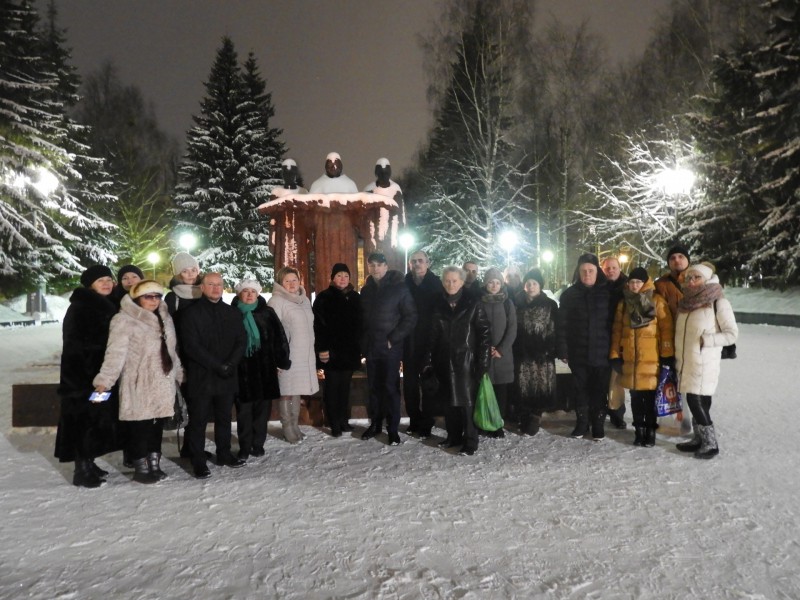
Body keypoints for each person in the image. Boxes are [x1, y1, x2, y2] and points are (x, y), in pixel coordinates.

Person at [93, 280, 183, 483]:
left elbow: (171, 351)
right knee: (139, 428)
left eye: (157, 296)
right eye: (148, 296)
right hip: (138, 381)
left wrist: (179, 374)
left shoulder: (165, 317)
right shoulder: (123, 320)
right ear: (137, 298)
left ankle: (154, 465)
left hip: (163, 381)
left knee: (156, 426)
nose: (154, 301)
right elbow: (115, 354)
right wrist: (105, 382)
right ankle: (141, 468)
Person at [55, 265, 121, 488]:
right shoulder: (82, 307)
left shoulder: (105, 304)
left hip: (99, 375)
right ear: (89, 284)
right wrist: (83, 380)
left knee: (95, 420)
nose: (106, 283)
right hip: (83, 378)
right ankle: (81, 470)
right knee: (82, 422)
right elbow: (74, 346)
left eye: (108, 279)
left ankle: (89, 462)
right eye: (100, 280)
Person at [180, 273, 247, 478]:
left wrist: (230, 364)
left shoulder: (232, 312)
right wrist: (218, 365)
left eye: (219, 285)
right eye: (211, 284)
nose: (216, 288)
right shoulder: (190, 314)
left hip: (227, 375)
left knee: (224, 418)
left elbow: (241, 341)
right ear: (202, 287)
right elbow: (191, 346)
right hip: (202, 376)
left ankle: (224, 453)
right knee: (198, 420)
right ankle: (198, 460)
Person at [673, 262, 738, 459]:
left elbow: (731, 334)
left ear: (707, 279)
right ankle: (698, 438)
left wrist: (707, 340)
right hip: (687, 361)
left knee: (695, 399)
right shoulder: (686, 303)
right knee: (700, 400)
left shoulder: (718, 302)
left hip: (704, 361)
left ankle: (710, 443)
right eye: (689, 278)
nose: (691, 281)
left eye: (697, 277)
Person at [427, 266, 491, 455]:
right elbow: (432, 335)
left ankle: (471, 441)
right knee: (449, 402)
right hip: (444, 361)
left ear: (462, 282)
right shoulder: (438, 304)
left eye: (455, 281)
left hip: (466, 362)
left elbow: (485, 334)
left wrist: (483, 362)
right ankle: (453, 436)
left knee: (466, 403)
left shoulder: (473, 303)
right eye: (447, 280)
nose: (451, 284)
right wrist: (428, 360)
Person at [609, 267, 674, 447]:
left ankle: (651, 431)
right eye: (632, 282)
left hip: (652, 361)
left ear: (645, 283)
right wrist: (615, 355)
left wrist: (667, 355)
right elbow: (616, 332)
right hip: (631, 361)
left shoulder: (656, 301)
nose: (635, 285)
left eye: (638, 282)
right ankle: (639, 431)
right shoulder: (623, 304)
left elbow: (667, 330)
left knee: (651, 399)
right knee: (636, 399)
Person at [360, 252, 417, 445]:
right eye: (372, 265)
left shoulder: (399, 288)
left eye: (379, 265)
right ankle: (375, 424)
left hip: (390, 348)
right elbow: (363, 320)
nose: (375, 268)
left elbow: (410, 317)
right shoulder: (366, 290)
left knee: (391, 388)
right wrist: (364, 343)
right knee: (373, 388)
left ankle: (392, 429)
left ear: (386, 266)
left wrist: (394, 339)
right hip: (371, 348)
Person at [231, 278, 291, 459]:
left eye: (253, 291)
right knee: (244, 412)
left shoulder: (267, 313)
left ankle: (258, 444)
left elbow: (280, 338)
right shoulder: (232, 313)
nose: (249, 295)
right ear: (239, 294)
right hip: (242, 372)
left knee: (261, 411)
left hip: (265, 370)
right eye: (245, 291)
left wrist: (282, 361)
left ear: (258, 293)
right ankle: (244, 446)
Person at [556, 253, 612, 440]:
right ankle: (581, 423)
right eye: (583, 271)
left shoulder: (608, 293)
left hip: (602, 354)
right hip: (578, 353)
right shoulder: (569, 295)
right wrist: (563, 350)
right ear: (578, 273)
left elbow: (614, 324)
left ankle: (598, 425)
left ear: (597, 272)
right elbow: (561, 325)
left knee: (599, 391)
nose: (587, 274)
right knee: (580, 391)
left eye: (591, 270)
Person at [268, 266, 319, 444]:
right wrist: (277, 358)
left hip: (304, 355)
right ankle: (287, 427)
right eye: (287, 281)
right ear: (280, 283)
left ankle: (295, 425)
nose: (291, 284)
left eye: (294, 280)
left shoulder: (304, 300)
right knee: (286, 393)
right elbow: (272, 331)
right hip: (287, 356)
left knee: (296, 391)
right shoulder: (276, 301)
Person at [313, 263, 362, 437]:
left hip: (349, 351)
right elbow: (318, 325)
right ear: (333, 278)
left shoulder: (355, 297)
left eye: (346, 276)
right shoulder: (324, 297)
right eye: (339, 275)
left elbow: (360, 325)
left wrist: (360, 348)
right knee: (332, 387)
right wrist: (322, 349)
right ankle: (333, 422)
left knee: (345, 388)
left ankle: (343, 420)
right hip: (331, 352)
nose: (343, 279)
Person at [513, 268, 558, 436]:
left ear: (540, 286)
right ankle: (524, 414)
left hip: (542, 354)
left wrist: (550, 348)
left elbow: (554, 329)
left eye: (534, 283)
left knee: (540, 385)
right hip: (522, 352)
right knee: (524, 385)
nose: (531, 286)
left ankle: (535, 416)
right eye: (528, 283)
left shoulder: (549, 305)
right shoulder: (517, 303)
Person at [654, 244, 693, 434]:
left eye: (680, 256)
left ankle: (699, 423)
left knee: (694, 385)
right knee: (671, 382)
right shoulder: (661, 284)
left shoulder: (698, 279)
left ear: (687, 259)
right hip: (672, 341)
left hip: (694, 342)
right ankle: (678, 421)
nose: (677, 260)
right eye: (672, 258)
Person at [403, 250, 441, 438]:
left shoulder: (436, 284)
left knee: (428, 385)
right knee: (410, 385)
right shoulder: (404, 283)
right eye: (413, 261)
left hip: (430, 342)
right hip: (409, 342)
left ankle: (426, 422)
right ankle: (414, 419)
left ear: (428, 263)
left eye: (420, 261)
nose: (417, 264)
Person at [479, 267, 517, 437]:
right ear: (485, 284)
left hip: (503, 357)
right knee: (485, 391)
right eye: (490, 282)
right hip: (484, 354)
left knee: (501, 392)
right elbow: (474, 328)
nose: (494, 286)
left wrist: (501, 349)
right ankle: (484, 422)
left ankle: (497, 424)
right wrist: (485, 347)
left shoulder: (508, 303)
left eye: (497, 283)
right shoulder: (479, 303)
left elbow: (512, 329)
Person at [602, 256, 629, 429]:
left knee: (616, 380)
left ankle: (617, 413)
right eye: (607, 268)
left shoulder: (628, 287)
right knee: (602, 378)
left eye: (613, 267)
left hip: (620, 338)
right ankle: (601, 410)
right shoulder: (599, 287)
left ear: (620, 268)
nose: (610, 270)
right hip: (602, 337)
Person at [165, 252, 203, 316]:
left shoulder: (206, 293)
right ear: (178, 275)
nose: (190, 274)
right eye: (185, 271)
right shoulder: (172, 298)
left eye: (193, 270)